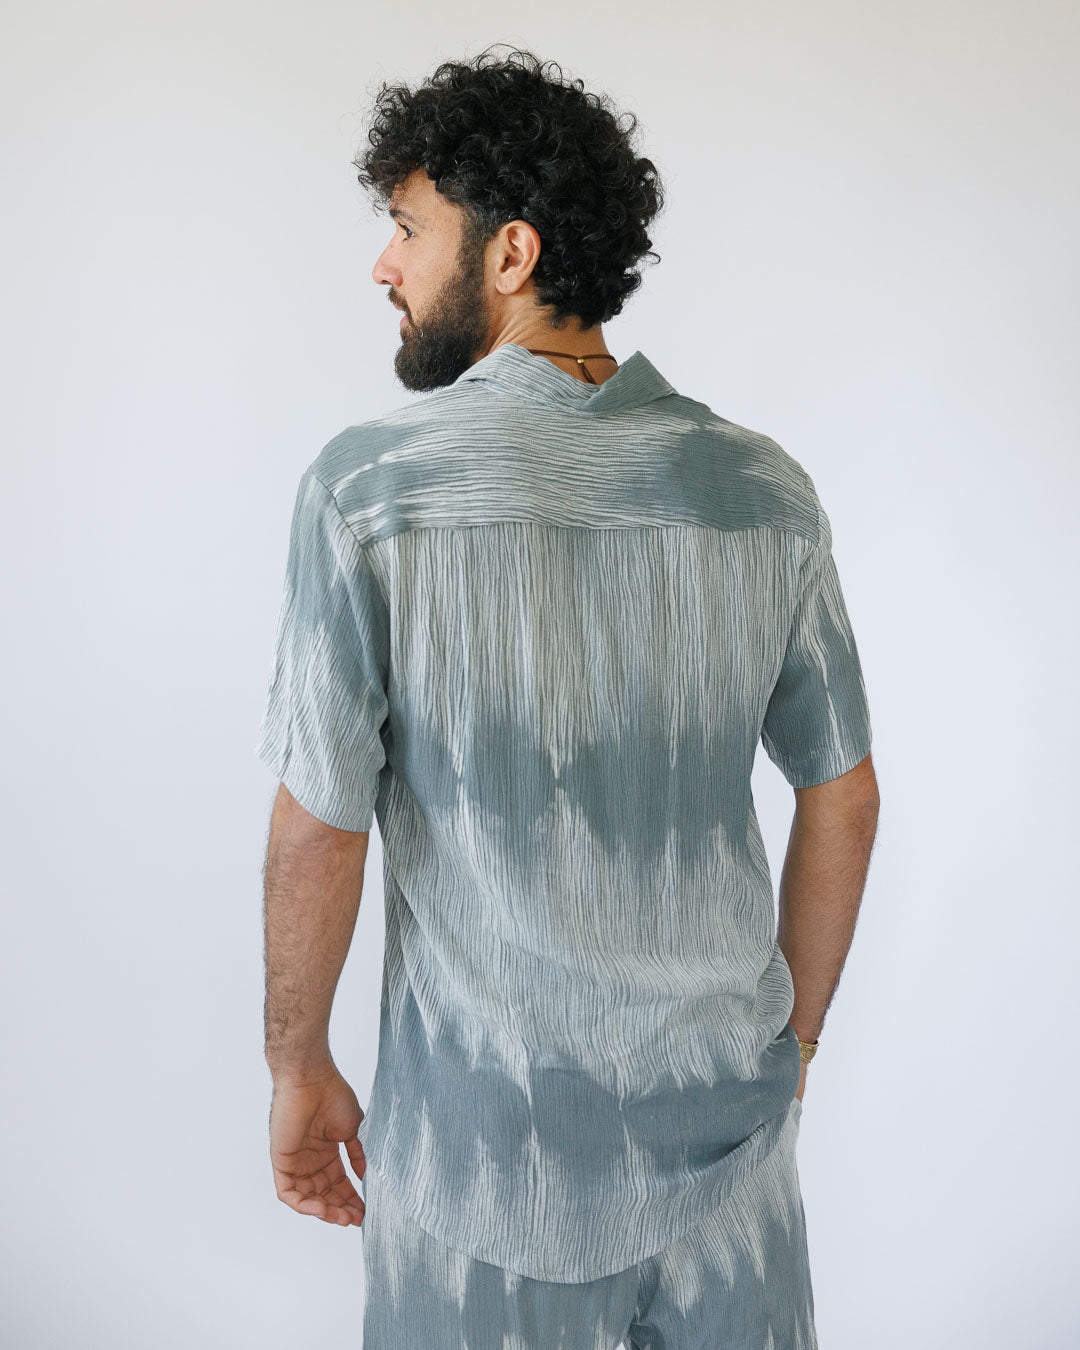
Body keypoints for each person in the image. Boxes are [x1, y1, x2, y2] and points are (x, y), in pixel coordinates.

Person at [256, 44, 879, 1350]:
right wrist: (796, 1048)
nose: (384, 266)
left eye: (408, 228)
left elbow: (320, 825)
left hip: (483, 1175)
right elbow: (844, 792)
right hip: (732, 1175)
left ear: (510, 254)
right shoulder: (762, 491)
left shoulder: (369, 491)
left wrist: (297, 1064)